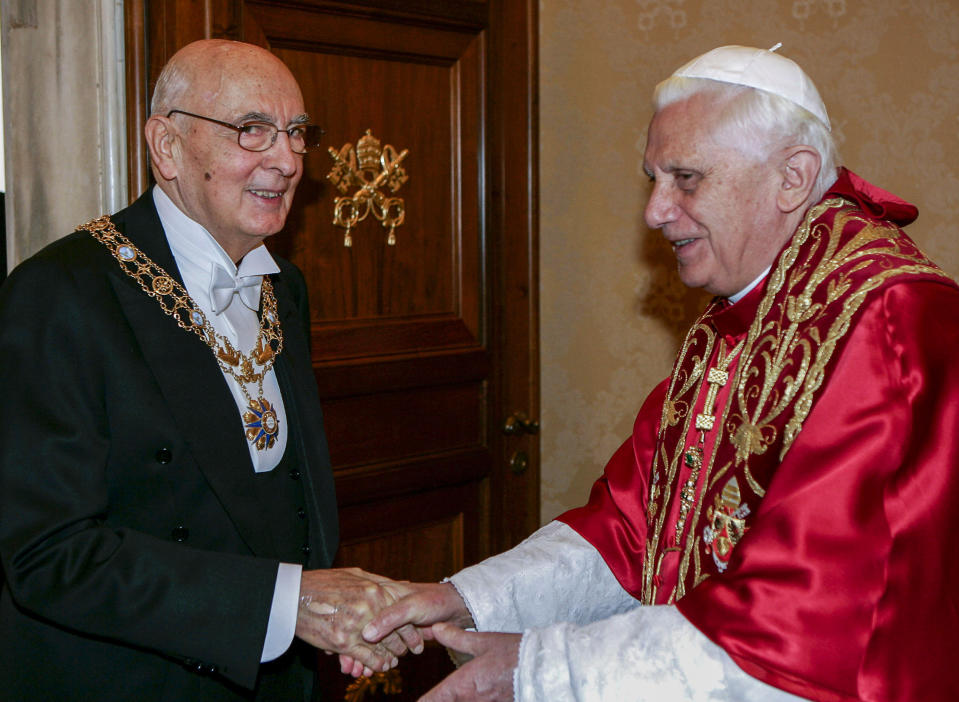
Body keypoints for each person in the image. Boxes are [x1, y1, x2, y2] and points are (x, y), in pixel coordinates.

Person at [360, 45, 959, 701]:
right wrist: (463, 600)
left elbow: (811, 619)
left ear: (792, 178)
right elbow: (632, 528)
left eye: (686, 178)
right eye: (652, 177)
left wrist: (542, 672)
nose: (653, 210)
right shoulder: (737, 314)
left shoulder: (887, 319)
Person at [0, 39, 416, 701]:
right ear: (166, 147)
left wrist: (337, 613)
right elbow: (51, 555)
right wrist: (284, 604)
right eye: (252, 131)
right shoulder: (59, 292)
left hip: (274, 675)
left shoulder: (287, 287)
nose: (286, 161)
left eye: (296, 134)